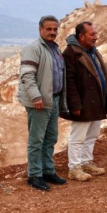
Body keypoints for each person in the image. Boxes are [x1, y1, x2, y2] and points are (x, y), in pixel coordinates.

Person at [17, 15, 68, 191]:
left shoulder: (55, 48)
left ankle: (48, 171)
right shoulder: (33, 48)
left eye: (55, 29)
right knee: (36, 139)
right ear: (40, 29)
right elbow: (27, 75)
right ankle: (34, 175)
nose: (52, 32)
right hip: (40, 101)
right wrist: (36, 97)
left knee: (50, 138)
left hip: (53, 99)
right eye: (48, 29)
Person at [61, 21, 107, 181]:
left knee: (92, 135)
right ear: (81, 36)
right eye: (92, 34)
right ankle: (74, 168)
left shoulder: (92, 51)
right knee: (78, 137)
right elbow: (69, 81)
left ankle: (86, 162)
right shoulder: (71, 53)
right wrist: (75, 104)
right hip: (83, 102)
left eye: (95, 33)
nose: (95, 37)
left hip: (96, 101)